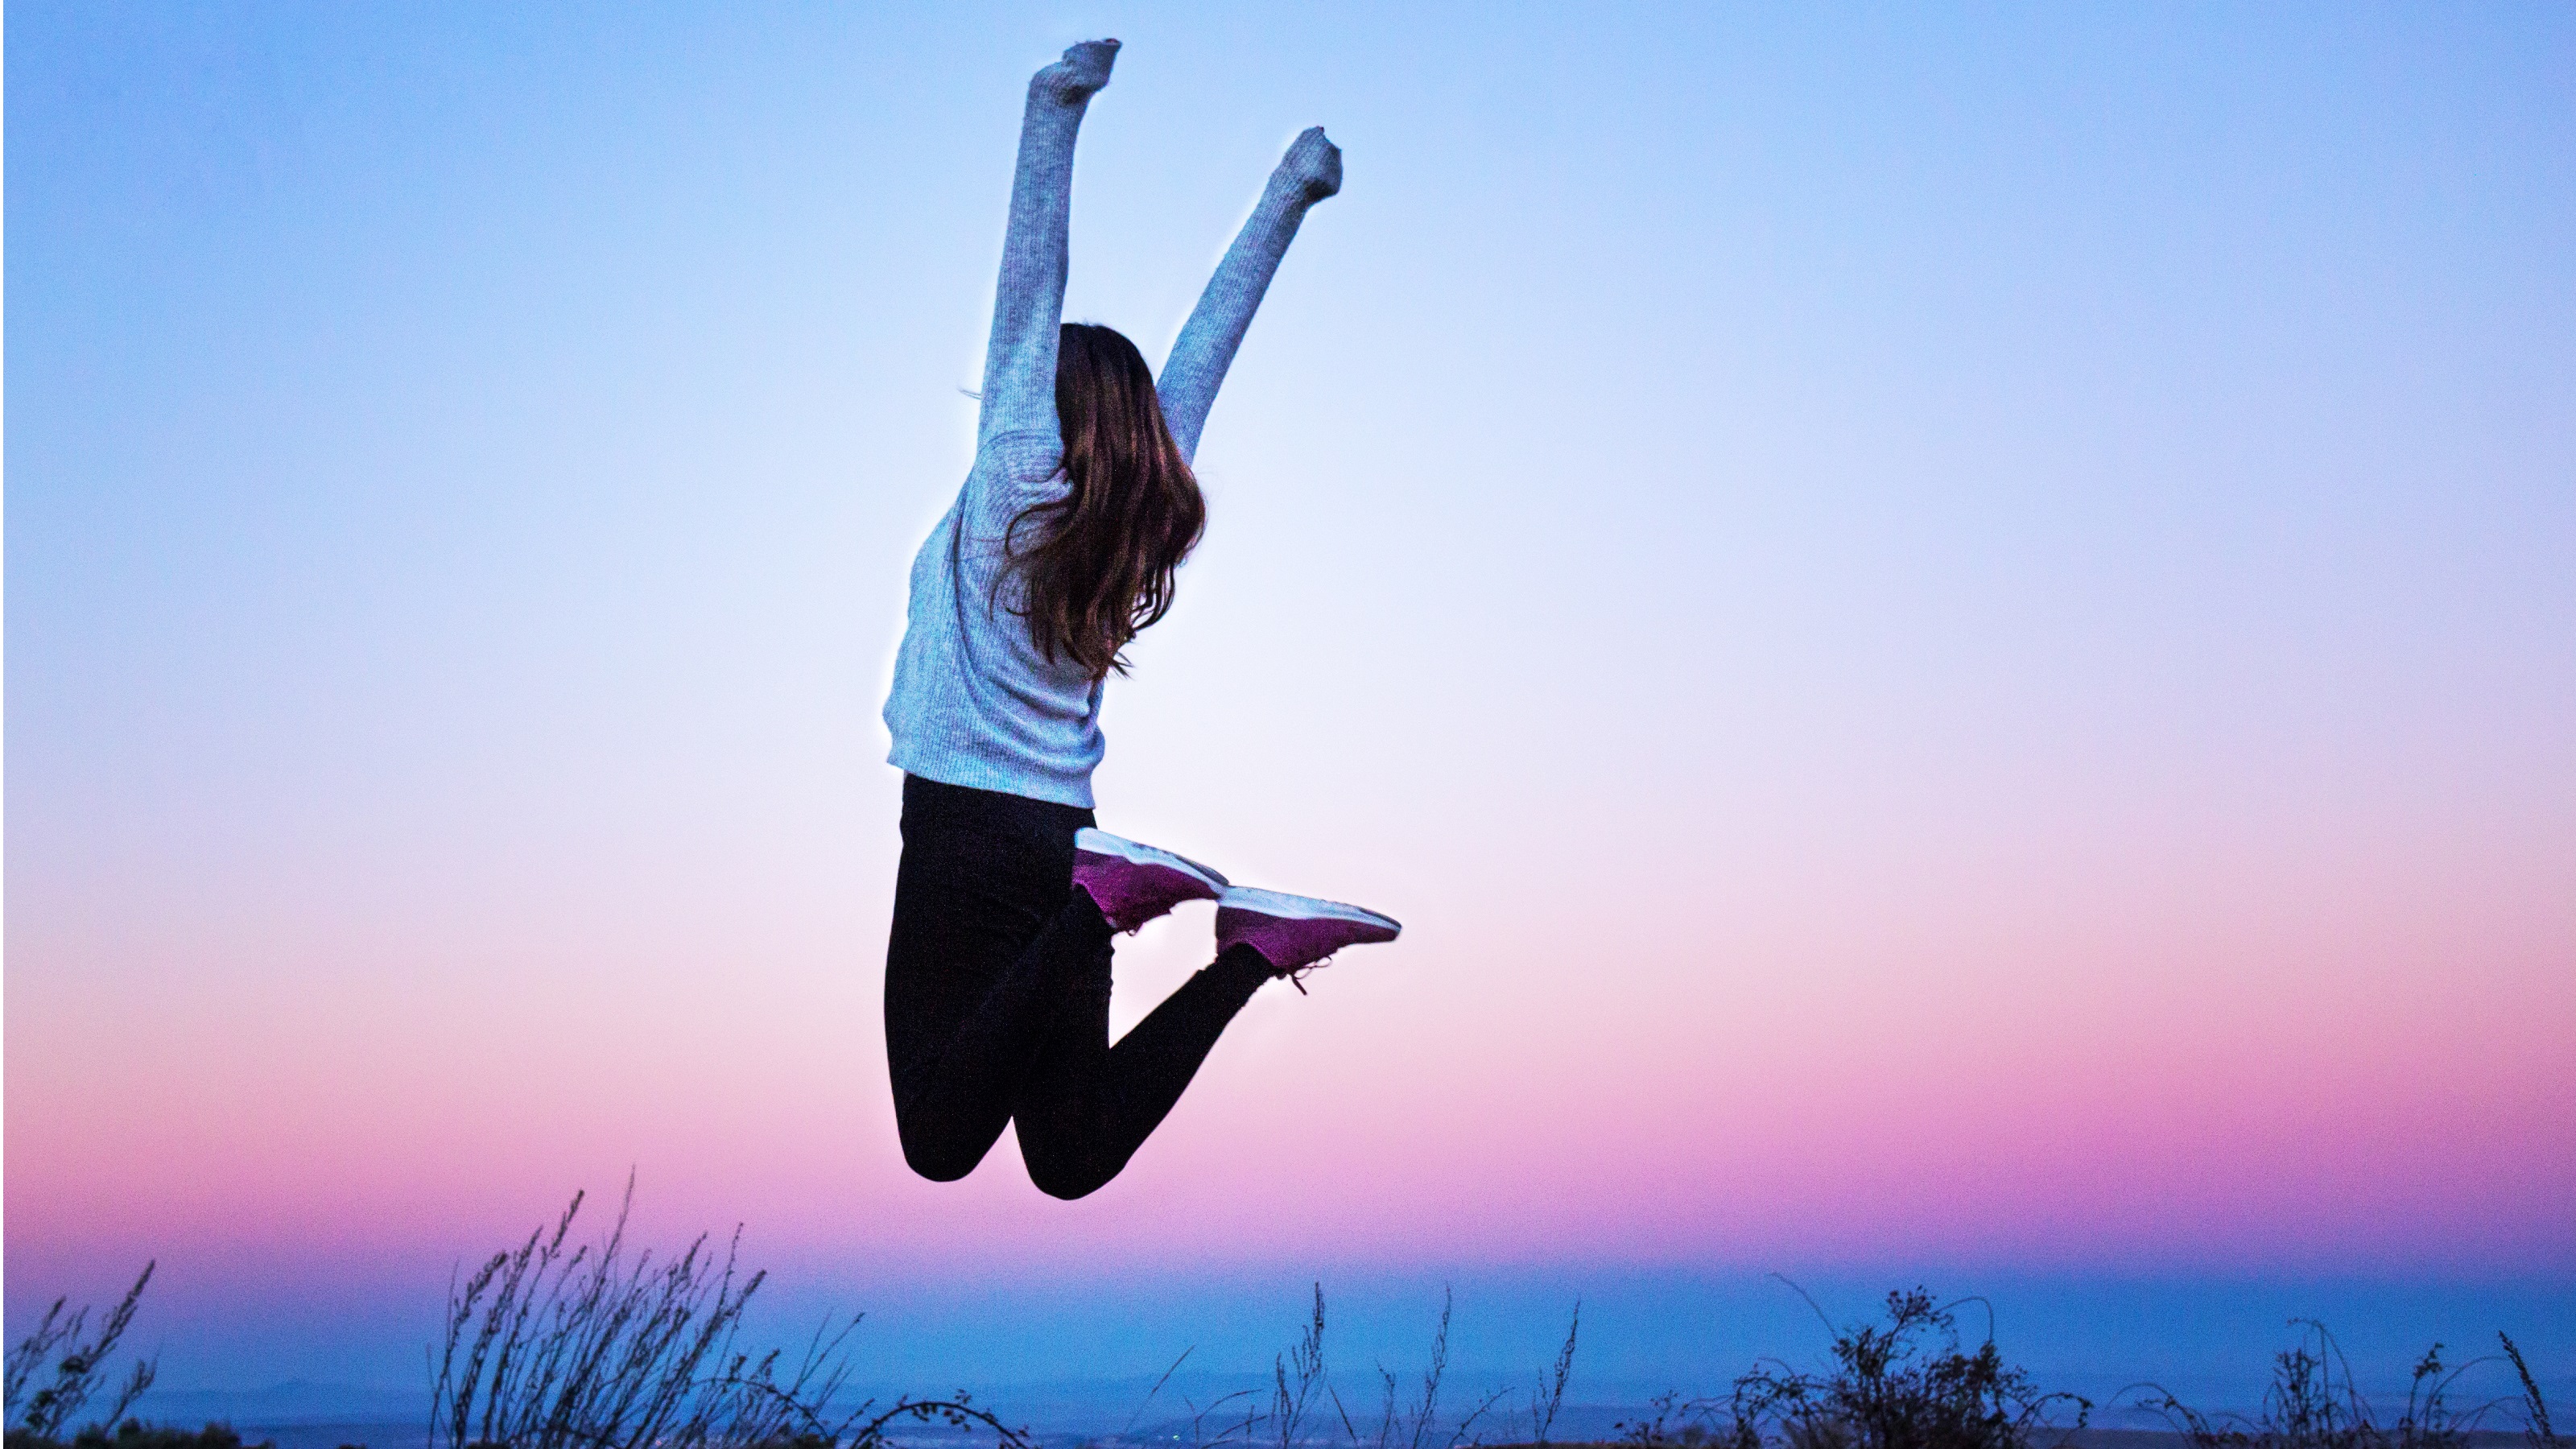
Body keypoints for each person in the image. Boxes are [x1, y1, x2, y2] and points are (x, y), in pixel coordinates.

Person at [879, 39, 1399, 1200]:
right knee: (1069, 1156)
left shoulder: (1014, 476)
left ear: (1041, 401)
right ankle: (1250, 949)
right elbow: (1209, 346)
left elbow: (1030, 290)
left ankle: (1095, 914)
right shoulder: (1137, 515)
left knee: (935, 1136)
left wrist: (1051, 107)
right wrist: (1291, 194)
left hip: (968, 838)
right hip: (1062, 836)